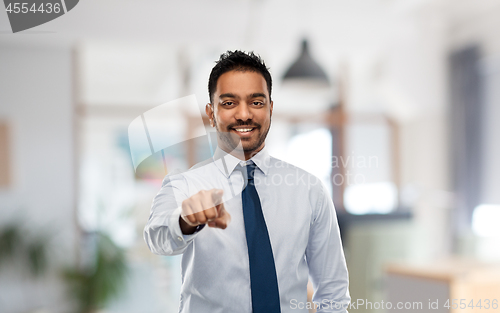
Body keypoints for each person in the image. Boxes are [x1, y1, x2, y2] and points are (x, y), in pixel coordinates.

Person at [144, 50, 350, 313]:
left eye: (256, 102)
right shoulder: (184, 185)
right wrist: (186, 221)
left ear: (270, 108)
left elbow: (333, 292)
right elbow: (157, 237)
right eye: (229, 103)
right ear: (211, 112)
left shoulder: (309, 190)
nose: (244, 114)